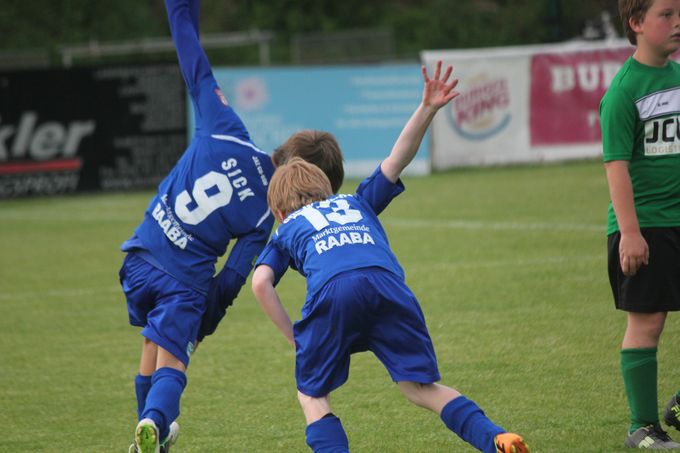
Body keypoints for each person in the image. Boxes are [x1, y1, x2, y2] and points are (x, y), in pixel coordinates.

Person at [251, 61, 530, 453]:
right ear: (328, 190)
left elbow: (260, 283)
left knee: (312, 396)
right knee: (420, 388)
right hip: (388, 286)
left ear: (280, 212)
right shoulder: (356, 201)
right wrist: (428, 108)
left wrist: (295, 337)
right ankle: (495, 437)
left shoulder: (287, 229)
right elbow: (398, 157)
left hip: (334, 293)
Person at [118, 0, 279, 450]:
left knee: (151, 345)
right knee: (174, 363)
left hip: (140, 255)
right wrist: (204, 321)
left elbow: (192, 56)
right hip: (182, 283)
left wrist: (180, 6)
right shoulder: (268, 210)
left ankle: (149, 438)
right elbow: (229, 279)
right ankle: (153, 421)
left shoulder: (225, 126)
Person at [600, 0, 680, 448]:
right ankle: (643, 426)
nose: (677, 23)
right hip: (645, 225)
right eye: (666, 15)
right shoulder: (624, 91)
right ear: (636, 24)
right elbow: (617, 165)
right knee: (648, 322)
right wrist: (630, 233)